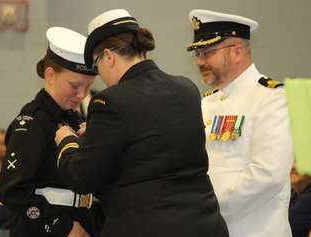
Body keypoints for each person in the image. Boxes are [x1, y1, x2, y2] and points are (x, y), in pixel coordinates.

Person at [55, 9, 229, 237]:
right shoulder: (186, 88)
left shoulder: (110, 101)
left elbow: (80, 177)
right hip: (204, 225)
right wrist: (98, 136)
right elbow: (149, 152)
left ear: (108, 57)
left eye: (97, 66)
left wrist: (68, 141)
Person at [186, 9, 294, 236]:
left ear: (237, 51)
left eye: (207, 52)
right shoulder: (207, 103)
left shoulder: (272, 98)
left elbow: (268, 175)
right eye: (197, 54)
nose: (199, 61)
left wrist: (207, 209)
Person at [0, 27, 96, 237]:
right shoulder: (33, 122)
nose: (81, 95)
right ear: (50, 75)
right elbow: (11, 190)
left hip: (82, 219)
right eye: (75, 85)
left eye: (88, 87)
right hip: (45, 228)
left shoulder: (76, 119)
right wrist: (61, 226)